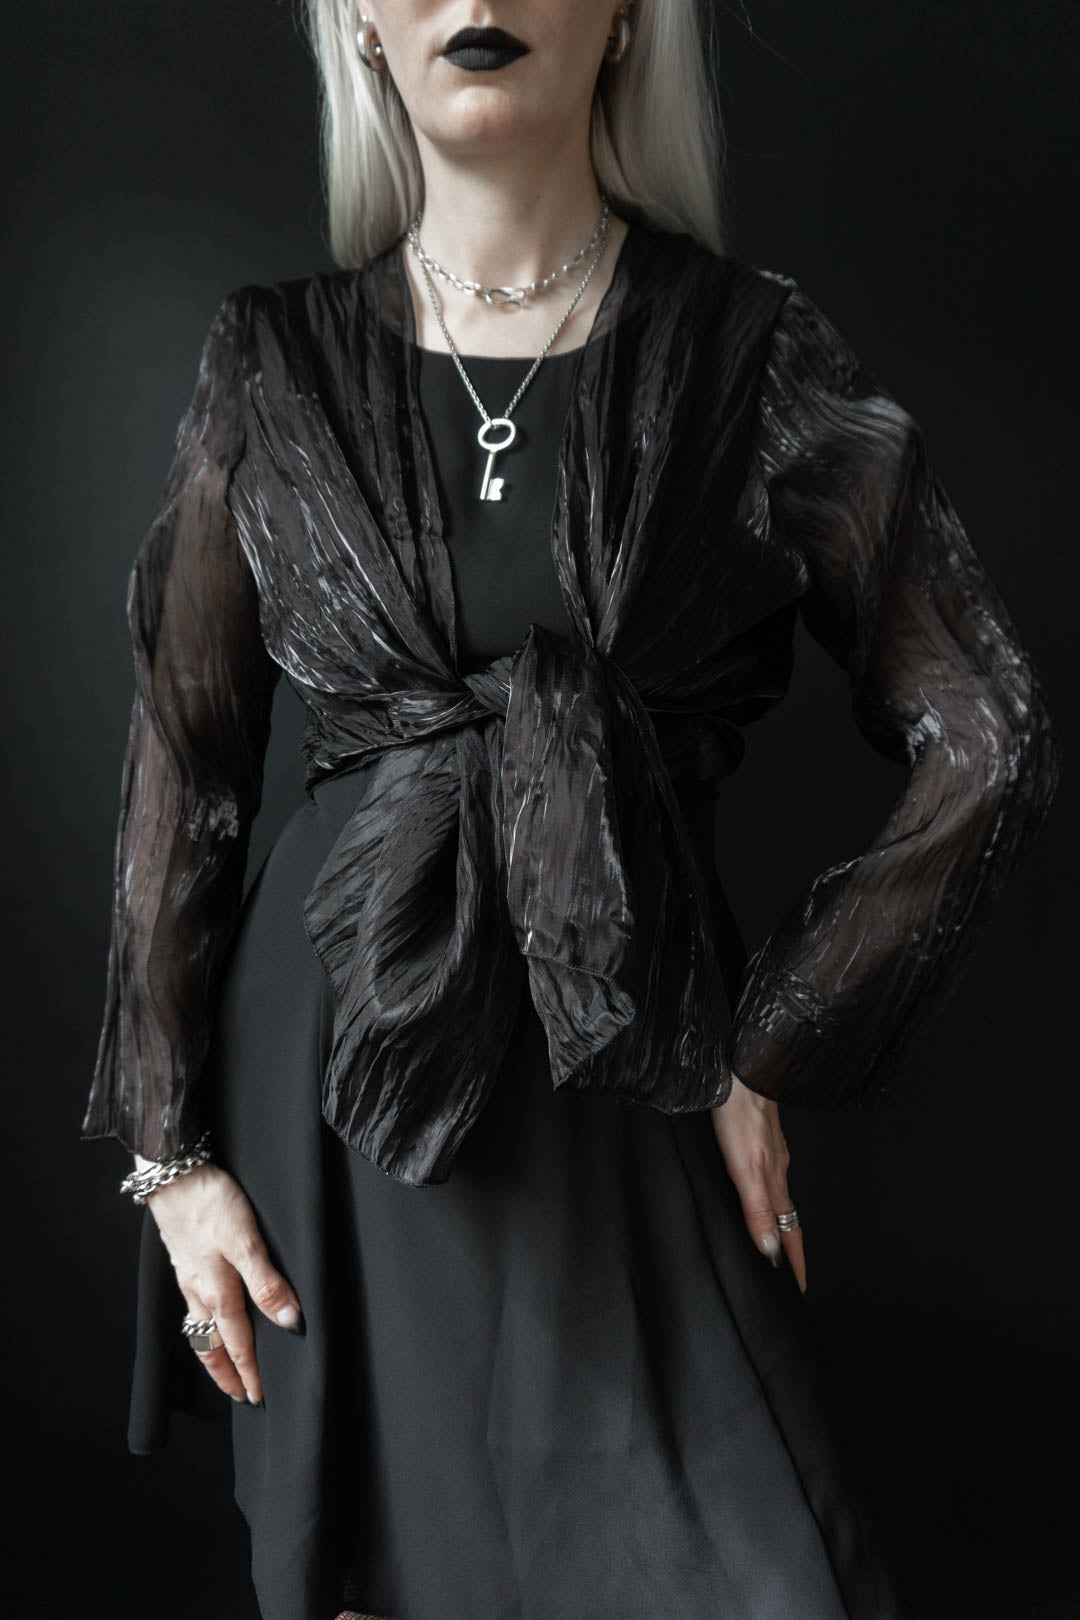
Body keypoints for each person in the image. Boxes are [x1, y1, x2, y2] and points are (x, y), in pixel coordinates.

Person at [81, 2, 1062, 1618]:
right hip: (331, 1102)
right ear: (362, 29)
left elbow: (987, 729)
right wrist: (172, 1160)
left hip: (638, 1071)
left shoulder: (750, 353)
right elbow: (184, 762)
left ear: (622, 20)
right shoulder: (270, 359)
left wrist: (776, 1042)